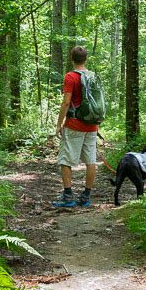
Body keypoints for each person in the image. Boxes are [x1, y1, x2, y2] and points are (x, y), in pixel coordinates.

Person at [53, 46, 98, 208]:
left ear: (72, 59)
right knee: (91, 161)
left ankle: (68, 196)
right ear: (85, 59)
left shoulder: (70, 77)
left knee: (65, 159)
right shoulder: (93, 76)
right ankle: (86, 196)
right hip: (92, 126)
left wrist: (59, 124)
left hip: (74, 125)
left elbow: (66, 102)